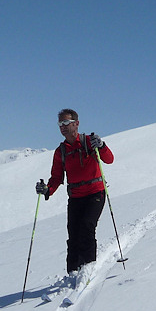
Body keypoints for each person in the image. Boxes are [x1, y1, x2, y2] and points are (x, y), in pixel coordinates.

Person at [35, 109, 115, 276]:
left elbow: (109, 159)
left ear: (76, 124)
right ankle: (73, 272)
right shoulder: (61, 151)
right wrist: (47, 189)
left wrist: (102, 146)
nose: (63, 127)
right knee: (73, 234)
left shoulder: (90, 142)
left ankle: (88, 267)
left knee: (87, 226)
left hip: (95, 193)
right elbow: (56, 177)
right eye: (60, 124)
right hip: (76, 197)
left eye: (66, 123)